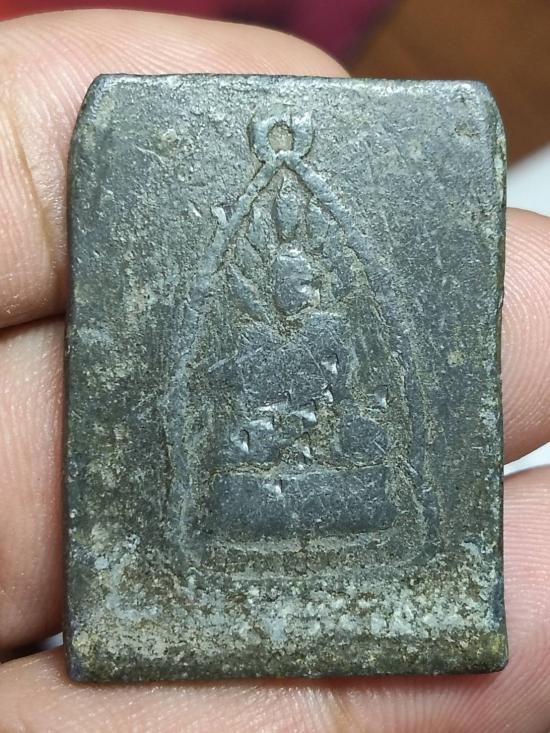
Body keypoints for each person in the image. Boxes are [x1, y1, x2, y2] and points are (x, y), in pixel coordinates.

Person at [0, 10, 549, 732]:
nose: (306, 291)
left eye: (312, 282)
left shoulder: (330, 328)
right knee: (240, 450)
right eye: (295, 283)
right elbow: (225, 388)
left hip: (326, 447)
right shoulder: (254, 332)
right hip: (261, 451)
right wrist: (260, 411)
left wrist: (324, 416)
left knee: (358, 440)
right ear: (276, 284)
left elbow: (348, 389)